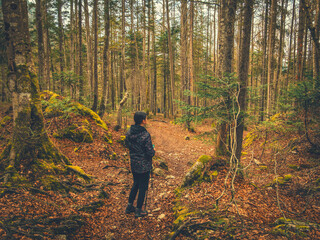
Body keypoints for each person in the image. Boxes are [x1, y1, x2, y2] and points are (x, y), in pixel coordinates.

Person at [125, 111, 155, 218]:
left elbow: (127, 145)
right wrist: (153, 150)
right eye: (146, 118)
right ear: (143, 120)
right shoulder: (145, 134)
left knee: (136, 183)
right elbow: (150, 152)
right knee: (143, 187)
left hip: (134, 163)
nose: (146, 120)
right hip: (144, 165)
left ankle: (129, 206)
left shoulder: (129, 132)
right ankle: (138, 210)